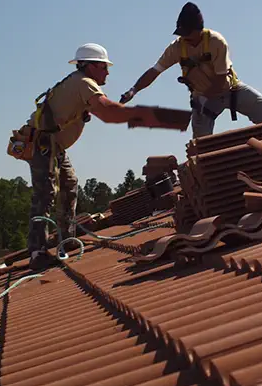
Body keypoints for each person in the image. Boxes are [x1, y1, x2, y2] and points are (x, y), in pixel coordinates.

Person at [20, 43, 158, 270]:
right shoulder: (85, 83)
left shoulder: (76, 82)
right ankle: (37, 252)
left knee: (69, 184)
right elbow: (106, 110)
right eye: (104, 67)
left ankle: (67, 240)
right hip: (44, 145)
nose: (107, 72)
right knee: (44, 194)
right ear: (91, 66)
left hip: (53, 146)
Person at [119, 2, 262, 138]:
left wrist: (208, 99)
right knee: (201, 143)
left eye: (188, 34)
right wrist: (134, 90)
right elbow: (155, 71)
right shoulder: (177, 48)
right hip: (202, 96)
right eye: (182, 34)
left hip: (229, 90)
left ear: (199, 29)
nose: (184, 38)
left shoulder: (216, 42)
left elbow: (221, 81)